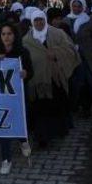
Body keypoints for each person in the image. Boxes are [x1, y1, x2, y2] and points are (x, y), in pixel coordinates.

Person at [23, 10, 80, 149]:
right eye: (36, 20)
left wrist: (55, 53)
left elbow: (70, 49)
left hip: (55, 79)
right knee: (41, 110)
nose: (39, 23)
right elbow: (24, 58)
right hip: (38, 83)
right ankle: (42, 137)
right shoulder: (26, 40)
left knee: (56, 106)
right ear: (32, 22)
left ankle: (57, 132)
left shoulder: (58, 33)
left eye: (41, 20)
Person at [0, 23, 34, 175]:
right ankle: (6, 159)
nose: (6, 37)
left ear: (15, 35)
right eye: (3, 34)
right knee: (4, 126)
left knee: (18, 120)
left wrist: (25, 73)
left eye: (9, 34)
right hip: (0, 96)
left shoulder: (22, 52)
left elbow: (31, 71)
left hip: (18, 94)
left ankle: (22, 140)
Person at [65, 0, 92, 117]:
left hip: (87, 57)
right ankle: (75, 105)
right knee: (74, 82)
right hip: (71, 57)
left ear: (83, 7)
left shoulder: (88, 21)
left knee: (87, 82)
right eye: (74, 6)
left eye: (79, 6)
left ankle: (86, 107)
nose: (76, 9)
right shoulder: (66, 20)